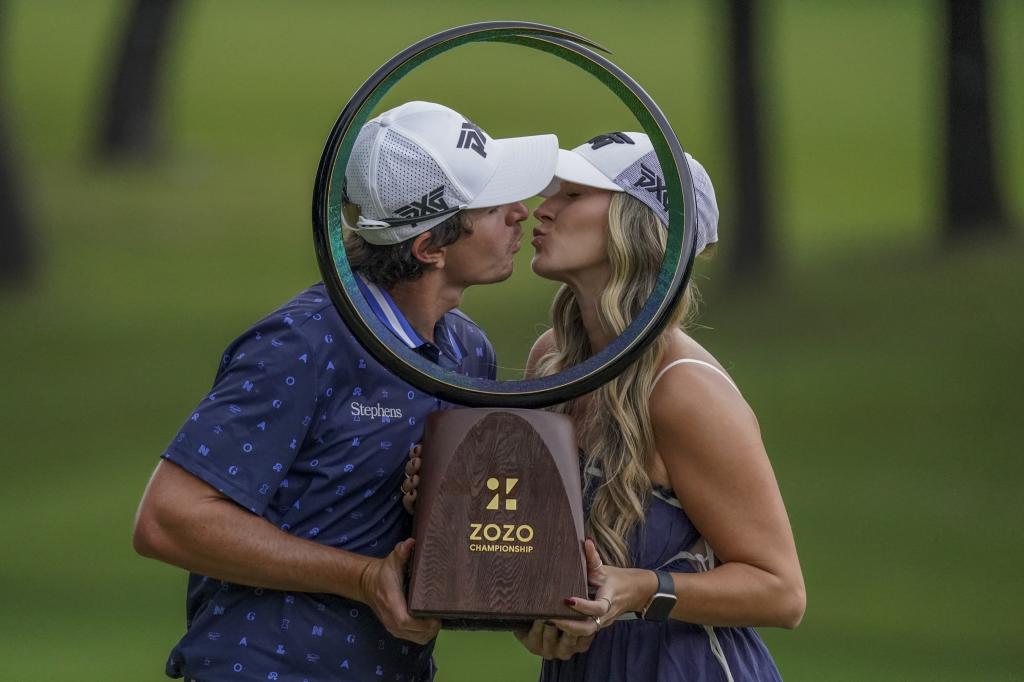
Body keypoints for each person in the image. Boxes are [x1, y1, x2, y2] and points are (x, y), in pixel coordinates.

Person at [132, 100, 558, 682]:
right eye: (493, 205)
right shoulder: (303, 341)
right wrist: (360, 578)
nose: (521, 213)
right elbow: (169, 519)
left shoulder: (468, 352)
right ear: (429, 247)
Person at [404, 132, 805, 680]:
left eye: (572, 197)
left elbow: (781, 592)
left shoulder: (684, 389)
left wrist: (641, 590)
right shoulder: (553, 360)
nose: (543, 212)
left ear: (634, 223)